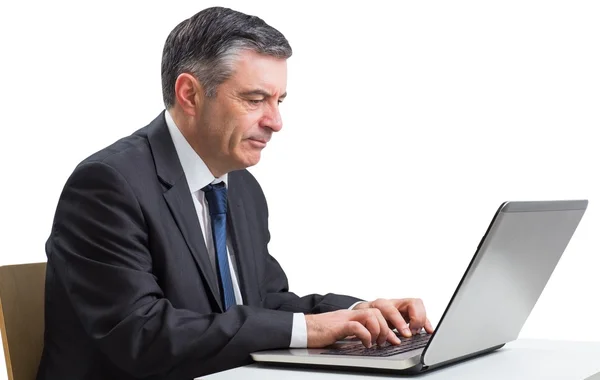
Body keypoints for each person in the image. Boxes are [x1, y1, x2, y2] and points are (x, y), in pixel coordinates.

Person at [36, 6, 433, 380]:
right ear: (190, 94)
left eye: (279, 101)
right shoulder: (107, 184)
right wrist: (308, 329)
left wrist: (357, 313)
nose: (275, 121)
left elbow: (262, 304)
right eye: (255, 99)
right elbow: (142, 335)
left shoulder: (239, 185)